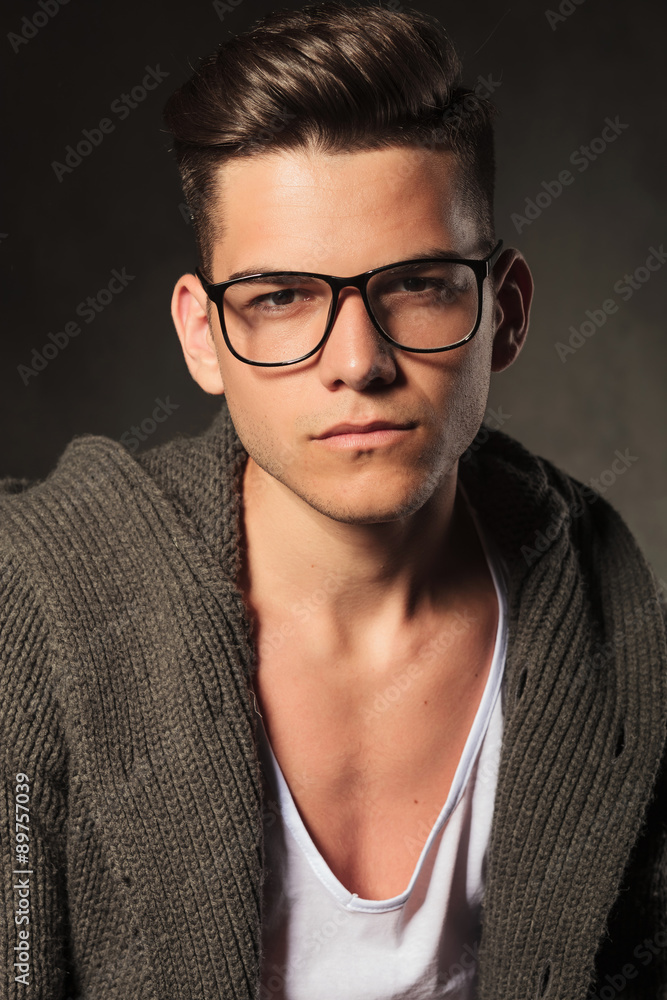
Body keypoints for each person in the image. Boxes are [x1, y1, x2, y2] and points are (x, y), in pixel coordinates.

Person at [1, 2, 666, 998]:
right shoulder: (38, 605)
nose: (357, 362)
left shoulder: (604, 616)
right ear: (201, 336)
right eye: (279, 298)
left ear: (505, 312)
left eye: (417, 286)